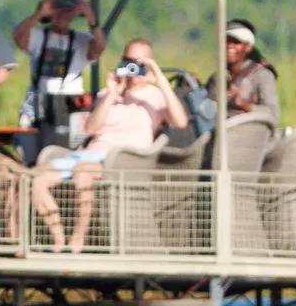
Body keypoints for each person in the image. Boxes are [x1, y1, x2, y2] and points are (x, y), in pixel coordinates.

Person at [30, 38, 186, 251]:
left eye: (139, 62)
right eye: (127, 61)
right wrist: (112, 94)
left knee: (83, 172)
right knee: (34, 178)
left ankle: (77, 240)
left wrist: (157, 76)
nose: (132, 67)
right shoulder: (108, 93)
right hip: (89, 155)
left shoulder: (155, 95)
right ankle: (58, 239)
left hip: (122, 161)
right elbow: (91, 129)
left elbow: (180, 122)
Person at [10, 0, 106, 154]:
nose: (62, 12)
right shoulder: (38, 35)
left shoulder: (81, 40)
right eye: (58, 6)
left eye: (66, 7)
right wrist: (39, 14)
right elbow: (18, 37)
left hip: (71, 103)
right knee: (31, 152)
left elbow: (98, 48)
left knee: (72, 152)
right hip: (38, 101)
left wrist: (90, 18)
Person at [221, 19, 282, 120]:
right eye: (226, 42)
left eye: (236, 42)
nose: (229, 46)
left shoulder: (262, 75)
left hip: (253, 133)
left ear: (248, 47)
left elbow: (273, 114)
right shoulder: (220, 78)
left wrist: (244, 105)